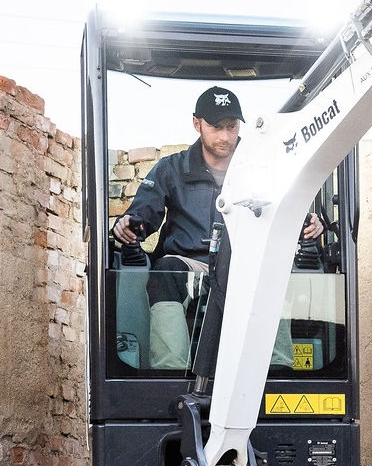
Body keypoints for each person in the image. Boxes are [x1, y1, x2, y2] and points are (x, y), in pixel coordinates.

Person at [112, 85, 323, 369]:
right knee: (165, 271)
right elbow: (143, 214)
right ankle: (170, 372)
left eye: (231, 127)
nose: (225, 136)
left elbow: (289, 209)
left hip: (244, 265)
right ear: (197, 124)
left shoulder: (262, 167)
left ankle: (277, 371)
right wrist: (129, 225)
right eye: (216, 127)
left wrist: (308, 224)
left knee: (272, 272)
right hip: (191, 266)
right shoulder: (171, 169)